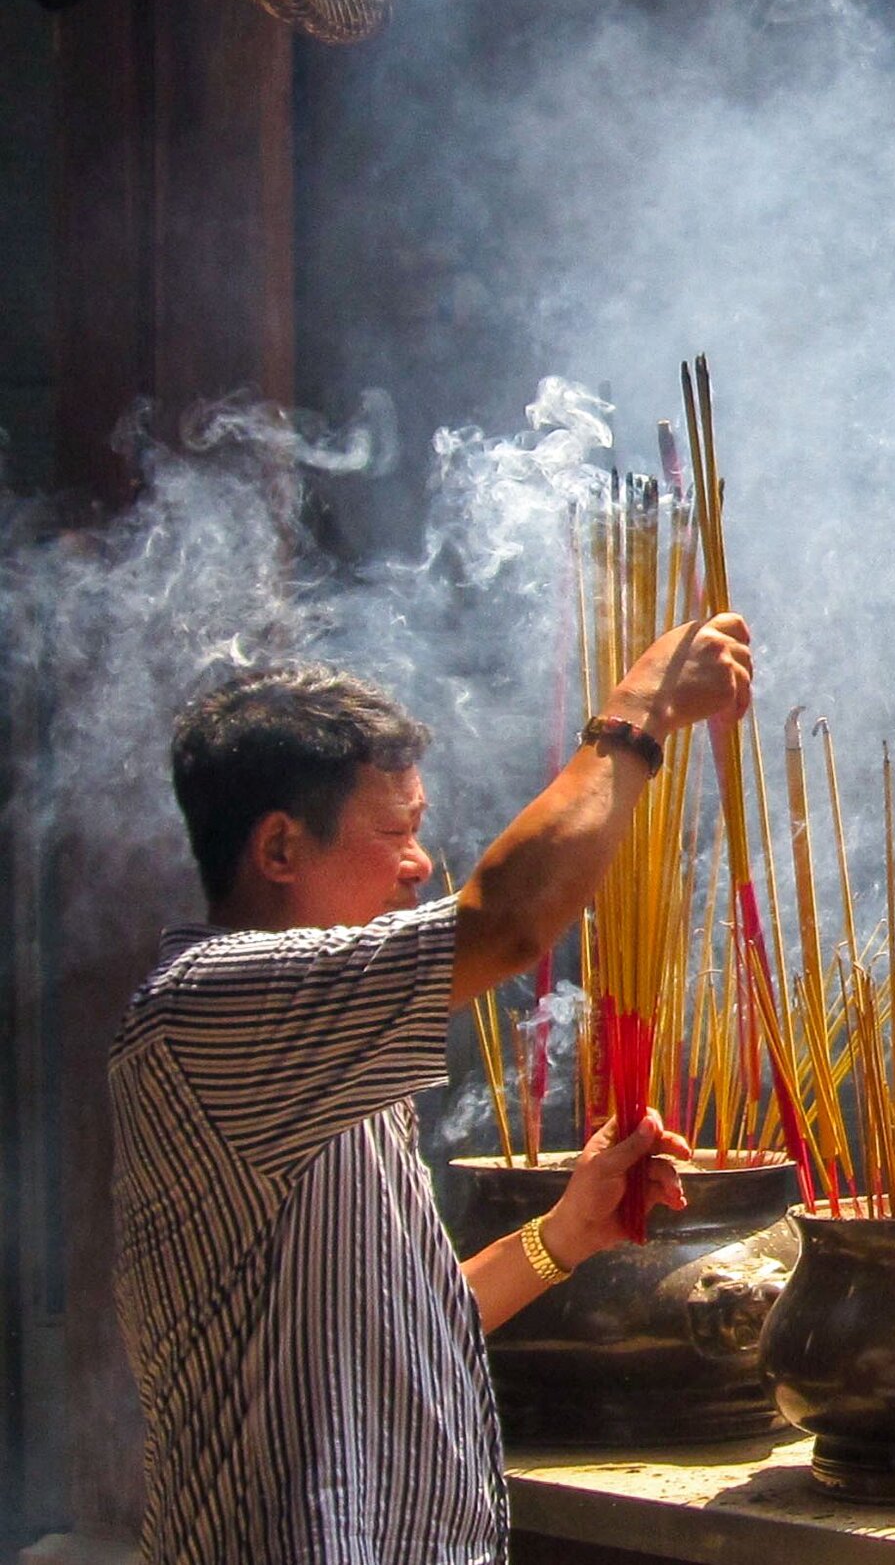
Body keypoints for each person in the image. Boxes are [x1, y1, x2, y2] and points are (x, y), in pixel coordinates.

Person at [110, 613, 751, 1564]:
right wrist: (636, 707)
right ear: (280, 849)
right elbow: (505, 923)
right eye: (396, 833)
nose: (420, 863)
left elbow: (406, 1319)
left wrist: (564, 1233)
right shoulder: (213, 1007)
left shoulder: (326, 1047)